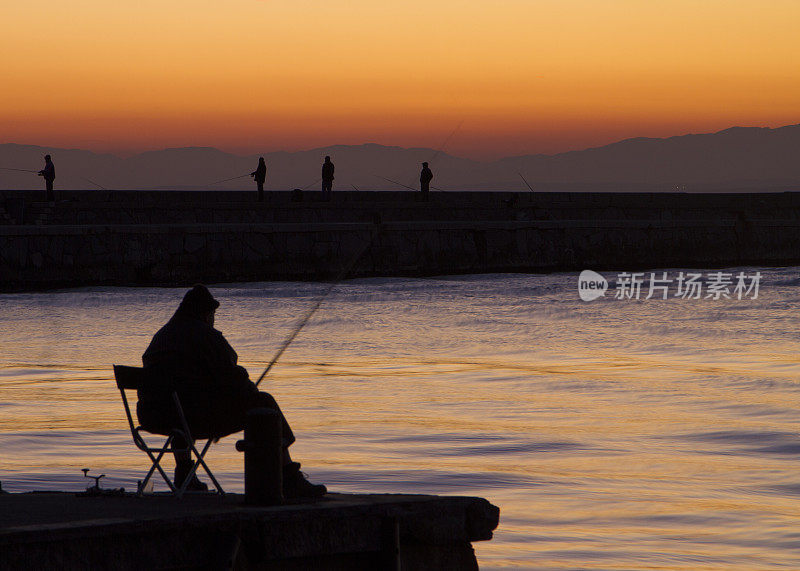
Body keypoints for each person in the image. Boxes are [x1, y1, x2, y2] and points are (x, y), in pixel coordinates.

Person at [138, 285, 327, 497]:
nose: (213, 319)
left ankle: (184, 475)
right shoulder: (206, 336)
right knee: (264, 402)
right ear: (205, 313)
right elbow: (233, 378)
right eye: (212, 314)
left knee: (178, 406)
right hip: (194, 418)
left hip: (154, 417)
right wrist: (251, 392)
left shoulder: (160, 337)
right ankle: (289, 476)